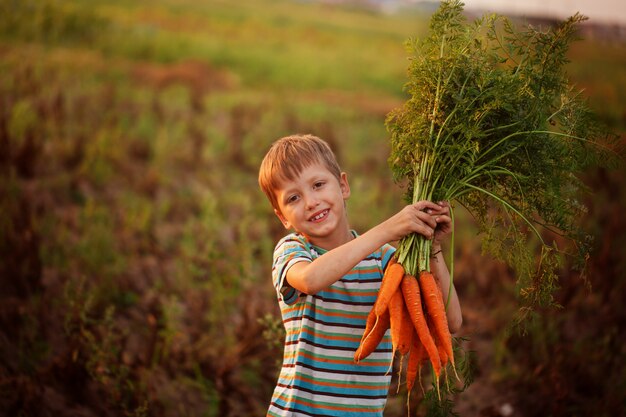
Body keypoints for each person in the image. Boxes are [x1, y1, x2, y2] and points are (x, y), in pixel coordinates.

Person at [258, 134, 462, 417]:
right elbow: (310, 280)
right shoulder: (294, 251)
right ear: (282, 217)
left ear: (343, 185)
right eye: (294, 198)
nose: (311, 202)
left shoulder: (385, 262)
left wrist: (434, 247)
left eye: (318, 185)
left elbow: (451, 321)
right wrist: (389, 229)